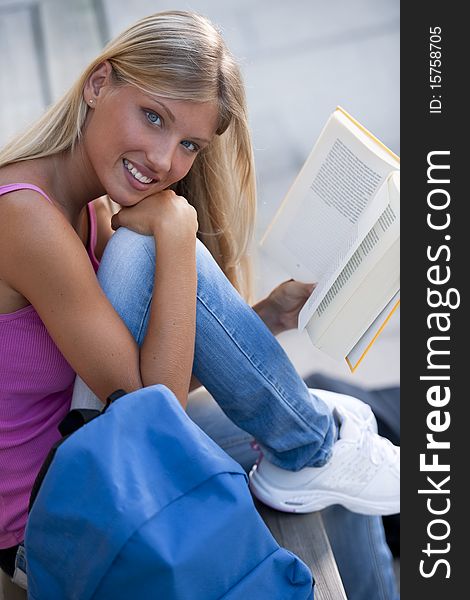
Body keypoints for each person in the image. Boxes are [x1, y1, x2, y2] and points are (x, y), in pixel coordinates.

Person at [0, 10, 399, 598]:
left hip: (100, 455)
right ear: (98, 83)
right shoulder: (22, 217)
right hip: (54, 521)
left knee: (332, 467)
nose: (164, 160)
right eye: (153, 117)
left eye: (188, 143)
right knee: (142, 255)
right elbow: (153, 423)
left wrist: (268, 317)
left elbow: (155, 386)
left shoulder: (92, 209)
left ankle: (321, 456)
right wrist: (175, 234)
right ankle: (316, 447)